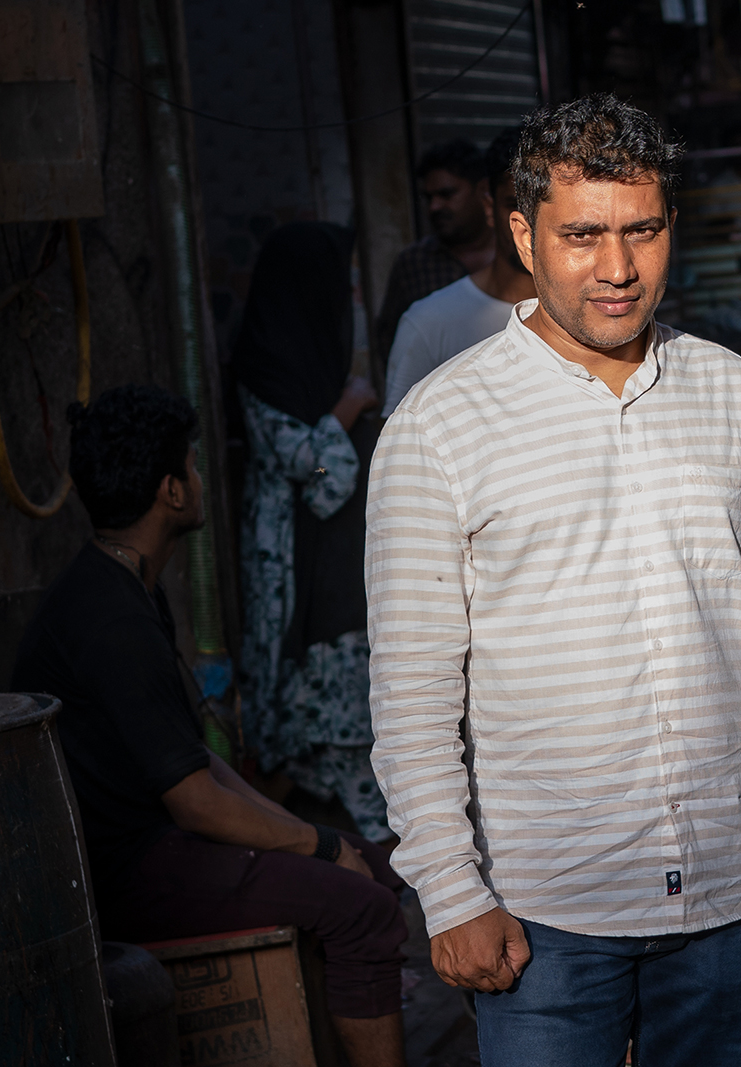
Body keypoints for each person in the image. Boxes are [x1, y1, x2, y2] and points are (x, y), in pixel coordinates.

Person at [366, 94, 741, 1066]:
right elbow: (414, 686)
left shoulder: (730, 392)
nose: (618, 268)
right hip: (547, 907)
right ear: (522, 231)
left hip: (731, 886)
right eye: (583, 235)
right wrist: (451, 887)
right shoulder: (440, 424)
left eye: (642, 229)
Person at [11, 384, 409, 1067]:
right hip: (123, 874)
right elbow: (194, 802)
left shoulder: (126, 584)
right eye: (192, 468)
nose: (199, 479)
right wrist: (313, 845)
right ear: (170, 490)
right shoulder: (111, 619)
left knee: (374, 864)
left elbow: (194, 758)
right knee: (364, 909)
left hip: (160, 846)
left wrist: (313, 843)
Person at [230, 223, 390, 842]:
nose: (348, 298)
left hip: (329, 570)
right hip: (291, 567)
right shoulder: (267, 372)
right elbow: (322, 478)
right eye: (340, 284)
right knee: (311, 730)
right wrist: (343, 415)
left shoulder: (317, 363)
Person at [380, 127, 535, 416]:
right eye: (517, 206)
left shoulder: (598, 311)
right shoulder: (427, 322)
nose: (533, 225)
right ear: (489, 205)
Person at [373, 139, 493, 364]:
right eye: (429, 198)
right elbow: (389, 339)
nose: (434, 207)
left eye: (446, 194)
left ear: (482, 191)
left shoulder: (517, 252)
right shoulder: (415, 262)